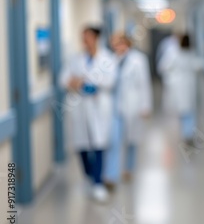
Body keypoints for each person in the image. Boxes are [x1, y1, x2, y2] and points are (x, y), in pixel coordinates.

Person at [59, 26, 117, 202]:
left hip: (99, 106)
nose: (85, 40)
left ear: (96, 38)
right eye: (83, 37)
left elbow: (110, 80)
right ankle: (90, 177)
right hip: (80, 107)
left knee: (99, 144)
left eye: (88, 37)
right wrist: (81, 83)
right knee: (81, 144)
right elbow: (63, 80)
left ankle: (98, 183)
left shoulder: (107, 58)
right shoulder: (75, 58)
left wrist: (81, 82)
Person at [103, 33, 152, 188]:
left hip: (134, 105)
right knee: (114, 141)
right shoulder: (110, 60)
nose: (118, 46)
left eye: (121, 43)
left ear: (127, 44)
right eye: (115, 43)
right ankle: (111, 176)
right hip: (115, 107)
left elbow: (144, 83)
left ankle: (128, 169)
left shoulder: (138, 59)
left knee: (131, 141)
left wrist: (145, 105)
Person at [159, 34, 202, 146]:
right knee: (189, 111)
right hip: (188, 85)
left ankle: (187, 134)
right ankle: (189, 134)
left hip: (180, 85)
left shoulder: (175, 54)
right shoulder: (190, 54)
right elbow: (198, 66)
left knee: (185, 111)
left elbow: (164, 67)